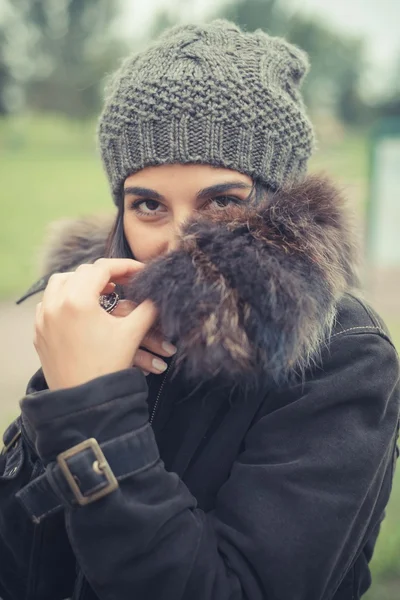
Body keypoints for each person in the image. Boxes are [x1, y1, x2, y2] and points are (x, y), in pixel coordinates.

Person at [1, 19, 399, 600]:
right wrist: (60, 393)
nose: (178, 240)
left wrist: (91, 413)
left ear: (278, 202)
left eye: (219, 201)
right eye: (148, 205)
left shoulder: (342, 357)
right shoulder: (100, 314)